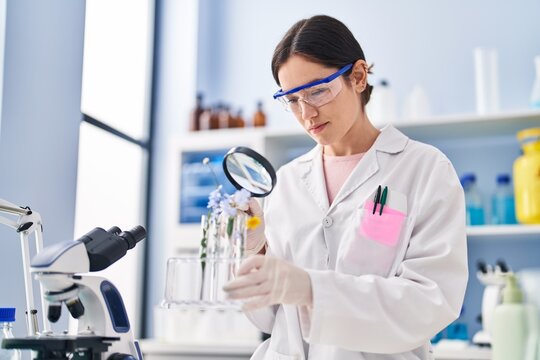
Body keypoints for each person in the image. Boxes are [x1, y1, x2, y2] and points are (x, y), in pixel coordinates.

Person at [223, 15, 468, 360]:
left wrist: (311, 289)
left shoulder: (424, 168)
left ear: (358, 76)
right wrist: (257, 250)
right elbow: (267, 317)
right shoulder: (289, 181)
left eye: (318, 91)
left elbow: (431, 302)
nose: (306, 112)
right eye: (291, 99)